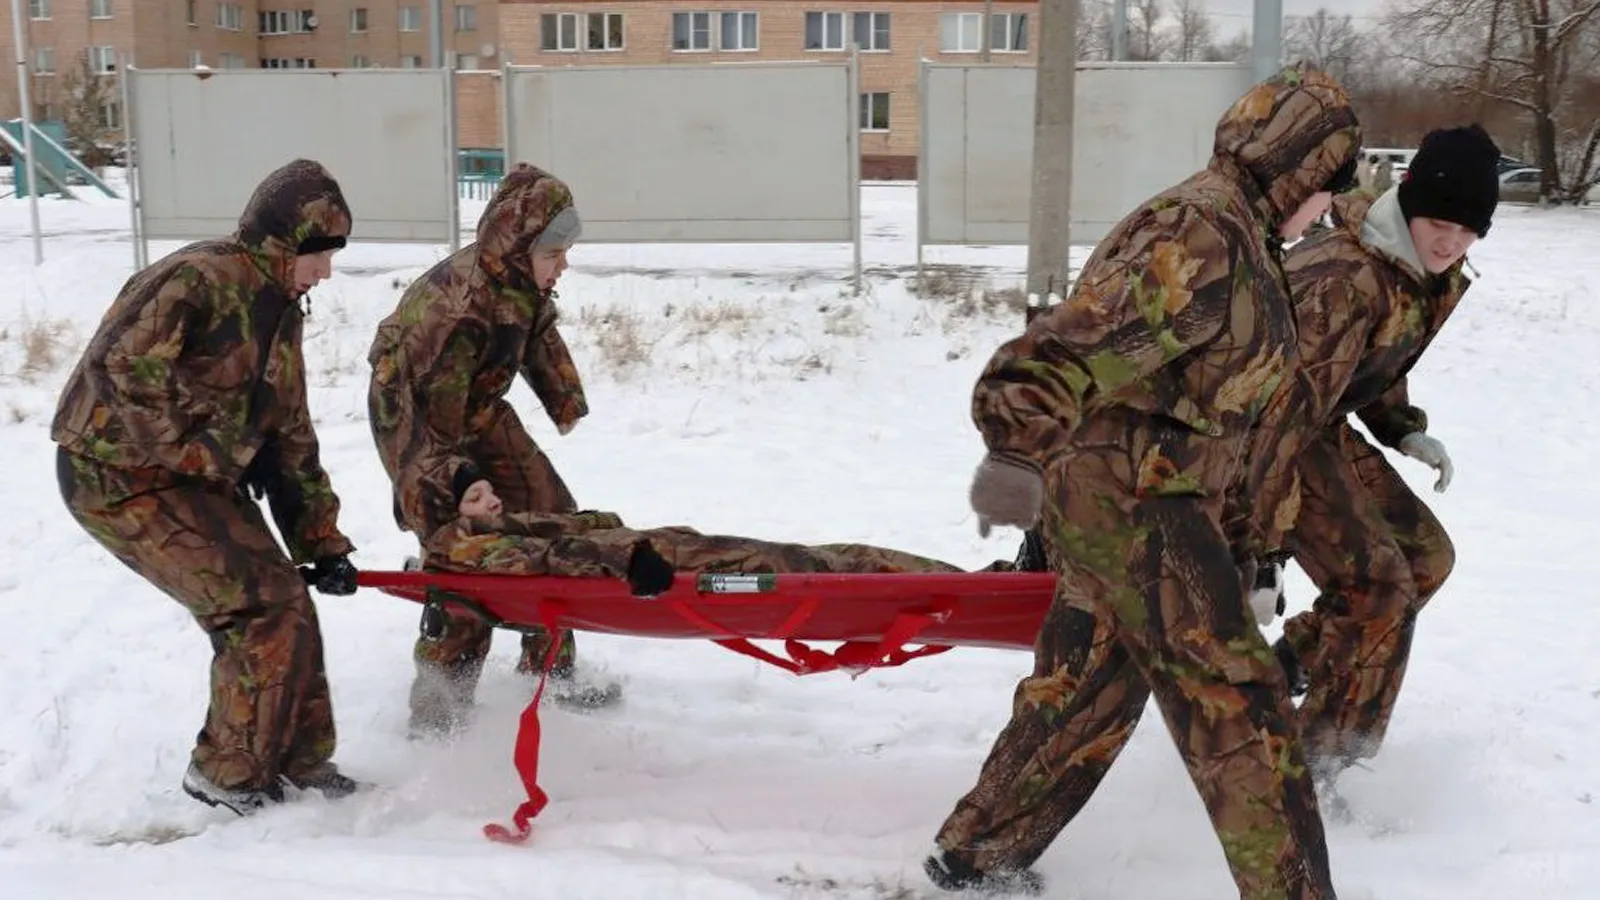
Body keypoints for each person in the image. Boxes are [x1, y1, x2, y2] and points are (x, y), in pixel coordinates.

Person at [928, 63, 1362, 899]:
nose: (1328, 208)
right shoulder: (1202, 231)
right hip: (1134, 498)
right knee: (1241, 709)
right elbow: (1073, 341)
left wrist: (1248, 542)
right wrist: (1015, 447)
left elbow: (1232, 412)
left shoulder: (1246, 234)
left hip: (1149, 493)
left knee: (1089, 687)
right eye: (1328, 186)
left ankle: (977, 856)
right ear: (1297, 167)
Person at [52, 158, 363, 816]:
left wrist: (320, 542)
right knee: (254, 606)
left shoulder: (280, 311)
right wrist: (227, 448)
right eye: (317, 255)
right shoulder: (199, 277)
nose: (325, 273)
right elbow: (123, 368)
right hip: (114, 474)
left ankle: (298, 760)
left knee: (285, 598)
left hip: (191, 474)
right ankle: (226, 774)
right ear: (282, 243)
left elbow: (290, 433)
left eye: (332, 256)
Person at [1261, 125, 1500, 780]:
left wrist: (1400, 427)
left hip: (1318, 426)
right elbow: (1266, 408)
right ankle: (1313, 771)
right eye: (1440, 223)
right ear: (1411, 203)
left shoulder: (1419, 267)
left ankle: (1296, 662)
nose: (1451, 242)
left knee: (1424, 559)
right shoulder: (1344, 275)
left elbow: (1375, 356)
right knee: (1379, 590)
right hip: (1269, 439)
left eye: (1469, 230)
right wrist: (1264, 542)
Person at [368, 162, 615, 739]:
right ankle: (439, 710)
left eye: (565, 251)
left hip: (476, 404)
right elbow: (430, 425)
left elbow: (536, 332)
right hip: (417, 424)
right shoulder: (456, 311)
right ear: (522, 248)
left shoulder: (520, 279)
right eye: (554, 253)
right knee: (466, 550)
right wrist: (459, 485)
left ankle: (549, 671)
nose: (564, 264)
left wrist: (565, 399)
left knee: (552, 518)